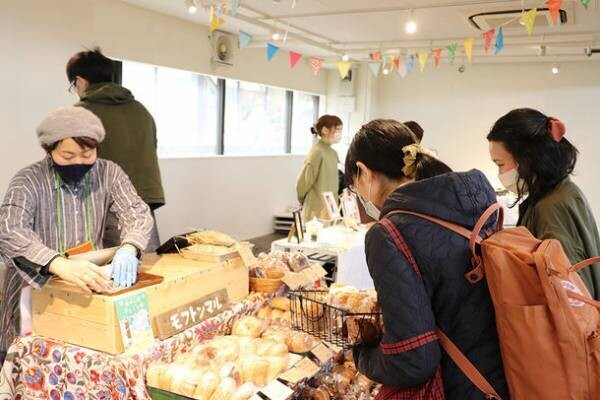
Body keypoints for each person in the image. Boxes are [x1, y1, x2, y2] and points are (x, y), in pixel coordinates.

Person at [346, 119, 508, 399]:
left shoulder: (389, 233)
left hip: (456, 386)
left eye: (354, 187)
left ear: (363, 172)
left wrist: (360, 356)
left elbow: (413, 360)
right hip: (501, 375)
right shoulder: (472, 204)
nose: (359, 197)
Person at [0, 107, 153, 362]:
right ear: (48, 150)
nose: (78, 162)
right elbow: (9, 231)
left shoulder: (108, 173)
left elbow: (137, 212)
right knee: (34, 367)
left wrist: (130, 246)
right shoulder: (28, 180)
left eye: (86, 153)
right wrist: (57, 264)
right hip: (36, 294)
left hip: (86, 287)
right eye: (67, 155)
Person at [488, 107, 600, 299]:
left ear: (527, 158)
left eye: (500, 164)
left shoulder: (551, 207)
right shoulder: (561, 192)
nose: (500, 174)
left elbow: (573, 298)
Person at [66, 47, 164, 251]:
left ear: (80, 81)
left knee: (109, 276)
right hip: (143, 203)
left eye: (73, 86)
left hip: (105, 206)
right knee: (148, 268)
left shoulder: (79, 114)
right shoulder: (141, 110)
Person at [296, 115, 343, 220]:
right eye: (337, 130)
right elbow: (304, 181)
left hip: (331, 207)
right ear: (325, 130)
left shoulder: (333, 153)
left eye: (341, 130)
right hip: (316, 207)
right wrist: (301, 199)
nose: (339, 134)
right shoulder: (317, 152)